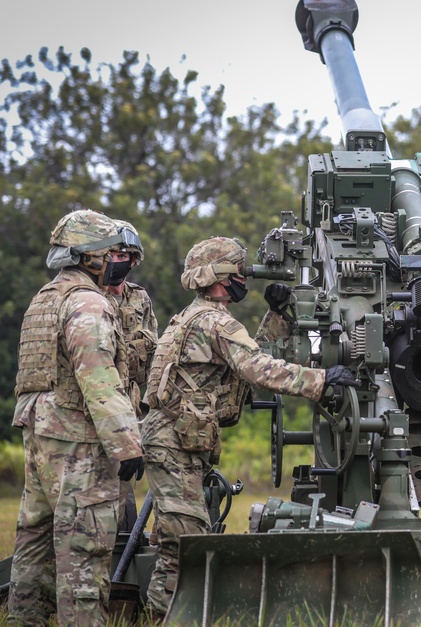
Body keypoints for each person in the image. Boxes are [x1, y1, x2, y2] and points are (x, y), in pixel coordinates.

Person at [140, 236, 360, 621]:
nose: (246, 277)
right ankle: (165, 618)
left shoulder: (197, 317)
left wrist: (278, 313)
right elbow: (257, 369)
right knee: (184, 549)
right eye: (241, 270)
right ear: (223, 276)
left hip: (174, 443)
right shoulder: (215, 323)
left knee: (178, 543)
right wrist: (322, 381)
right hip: (173, 445)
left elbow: (249, 357)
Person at [8, 209, 145, 627]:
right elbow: (99, 378)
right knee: (83, 549)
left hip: (40, 437)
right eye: (113, 252)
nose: (120, 260)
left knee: (34, 540)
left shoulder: (46, 298)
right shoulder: (88, 303)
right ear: (88, 255)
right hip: (78, 444)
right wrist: (127, 445)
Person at [107, 219, 159, 532]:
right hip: (92, 412)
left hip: (128, 413)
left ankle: (121, 577)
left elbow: (154, 361)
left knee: (124, 516)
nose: (114, 261)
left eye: (121, 255)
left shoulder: (140, 300)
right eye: (109, 254)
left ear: (133, 260)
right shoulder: (84, 297)